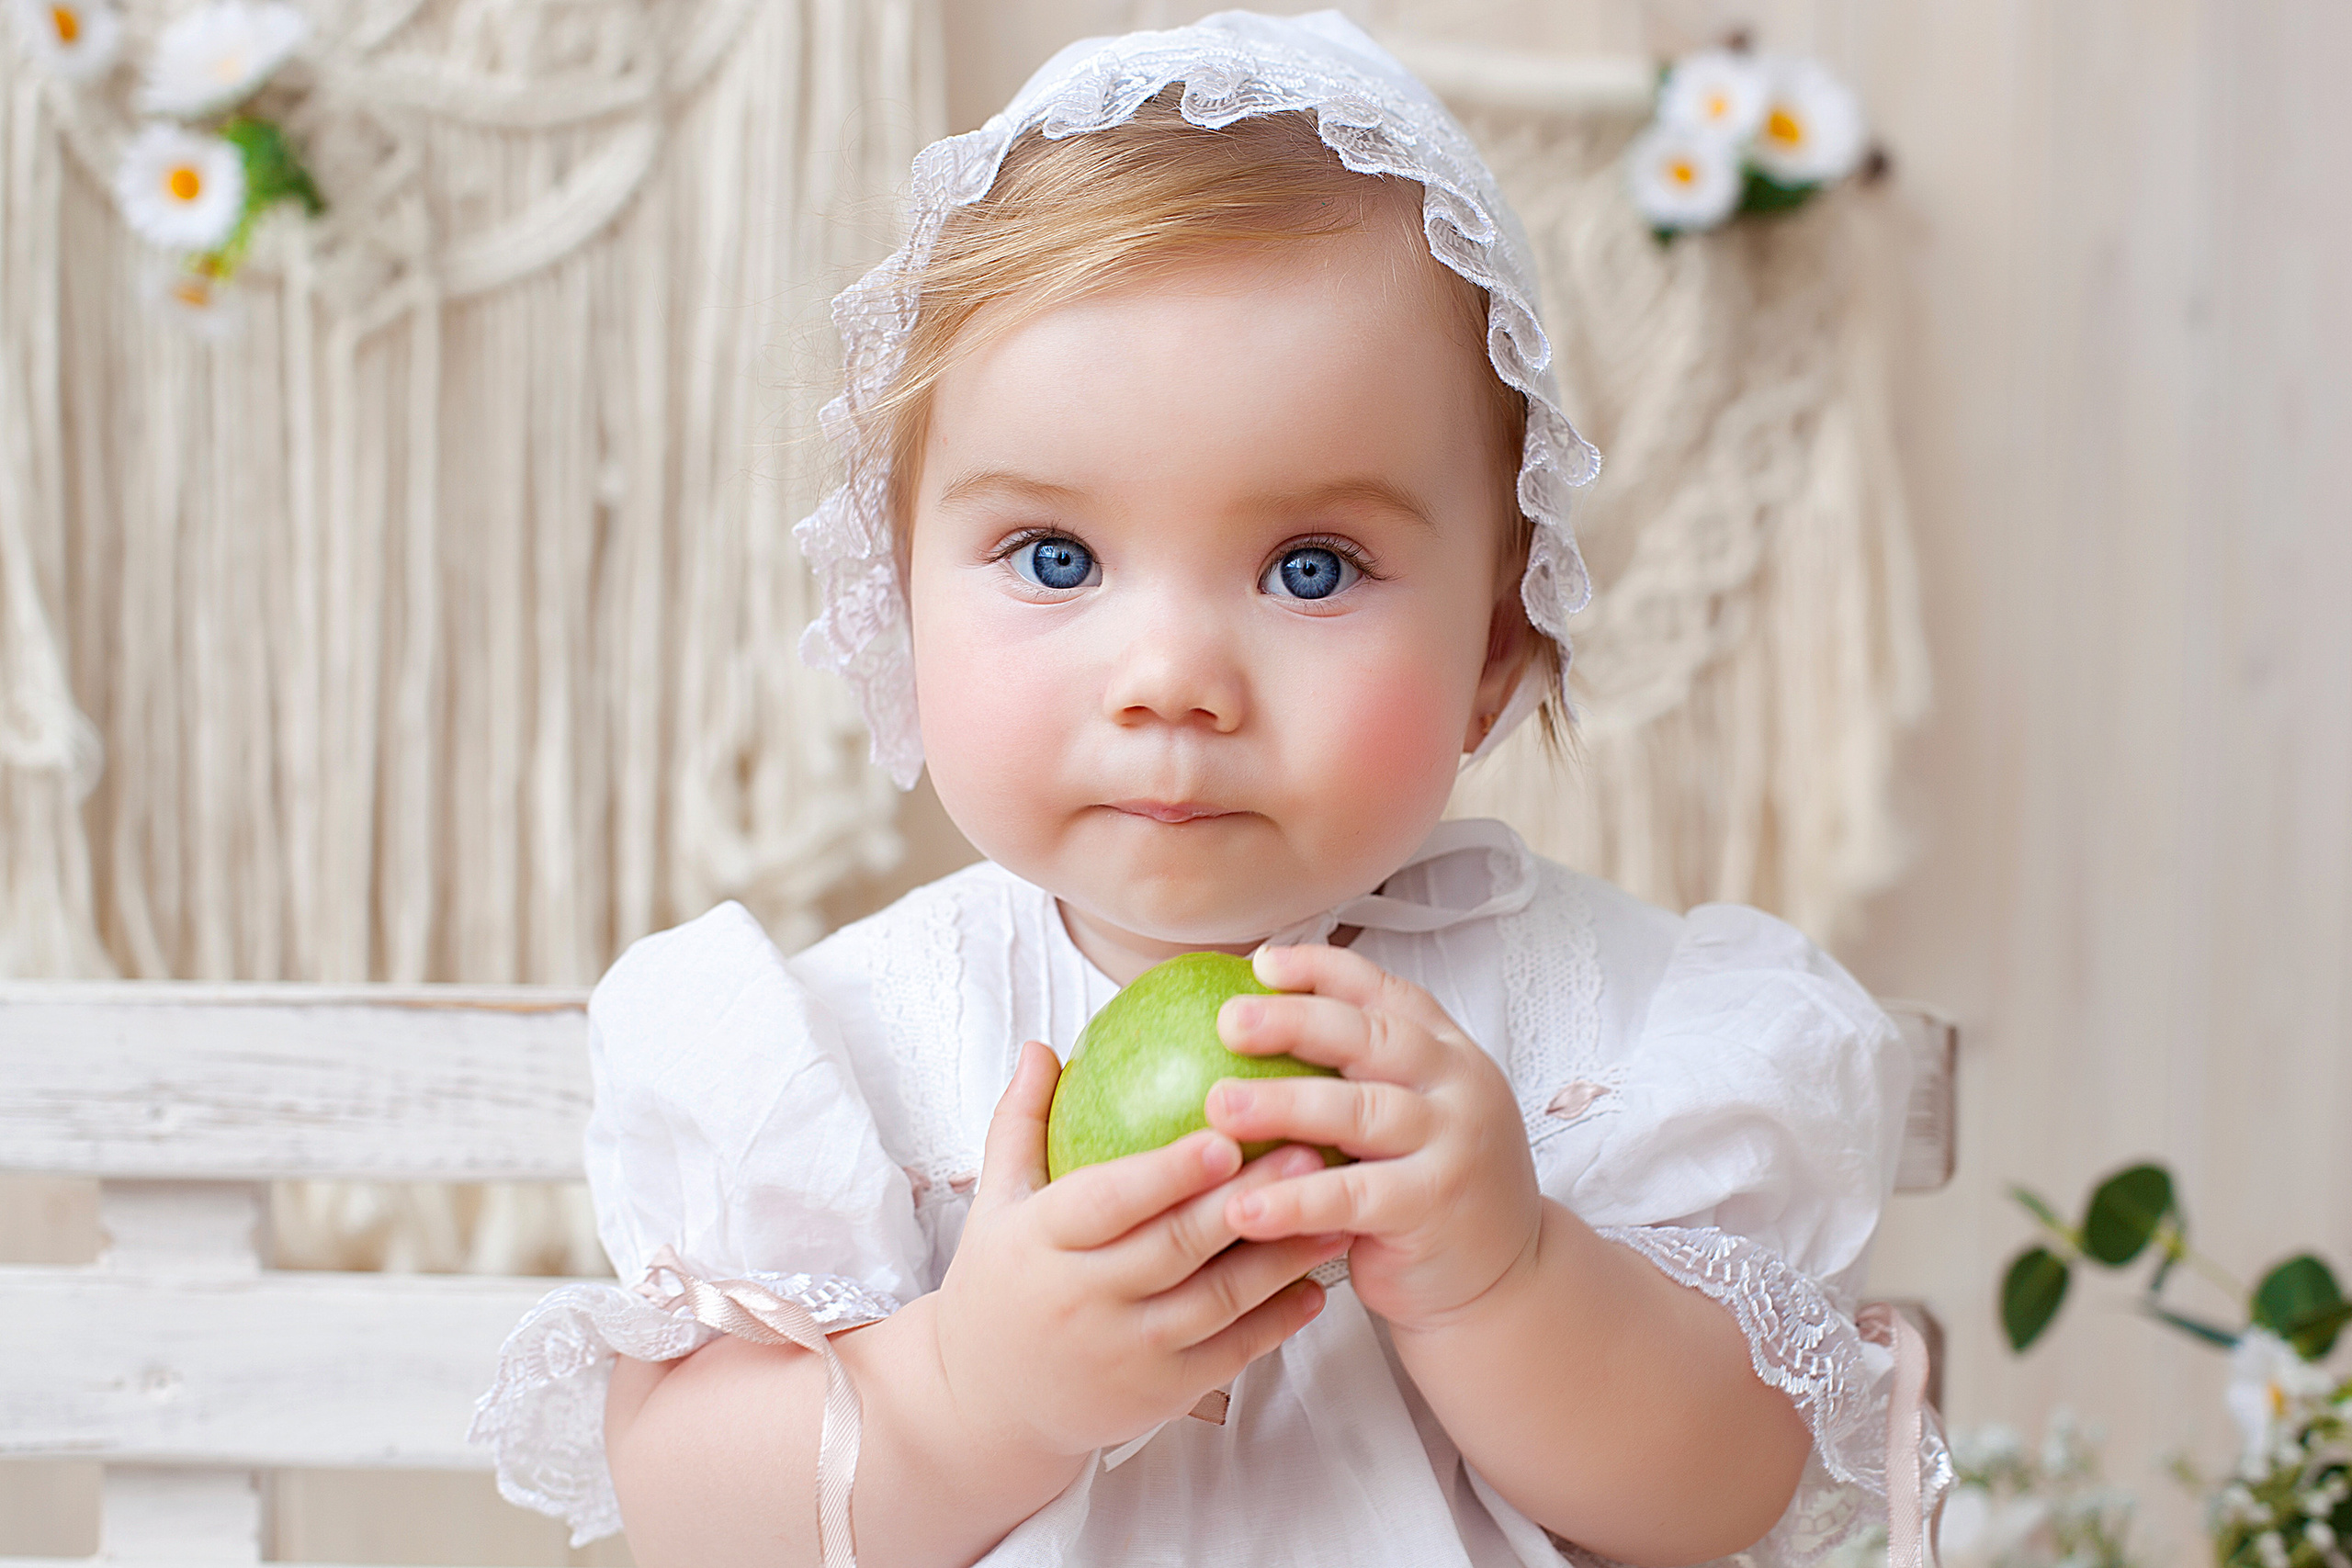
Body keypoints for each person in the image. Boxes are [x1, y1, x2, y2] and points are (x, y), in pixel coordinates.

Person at [470, 13, 1946, 1567]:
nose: (1172, 673)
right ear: (898, 600)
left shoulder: (1596, 1039)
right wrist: (979, 1391)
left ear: (1497, 646)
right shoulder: (847, 1063)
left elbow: (1720, 1492)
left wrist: (1507, 1280)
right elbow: (698, 1523)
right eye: (1057, 559)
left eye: (1312, 568)